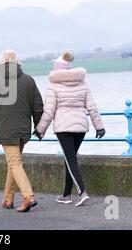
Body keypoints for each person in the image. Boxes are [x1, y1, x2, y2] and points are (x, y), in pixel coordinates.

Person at [36, 51, 105, 207]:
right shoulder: (83, 84)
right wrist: (99, 127)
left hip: (63, 127)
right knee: (70, 158)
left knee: (71, 159)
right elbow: (92, 108)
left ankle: (82, 192)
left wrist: (40, 130)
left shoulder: (53, 86)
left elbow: (48, 111)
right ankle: (66, 195)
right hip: (81, 127)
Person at [0, 50, 43, 212]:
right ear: (17, 62)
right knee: (14, 163)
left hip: (6, 129)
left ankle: (28, 196)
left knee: (14, 162)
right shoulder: (29, 80)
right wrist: (38, 127)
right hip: (23, 129)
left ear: (0, 63)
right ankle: (8, 200)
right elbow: (38, 107)